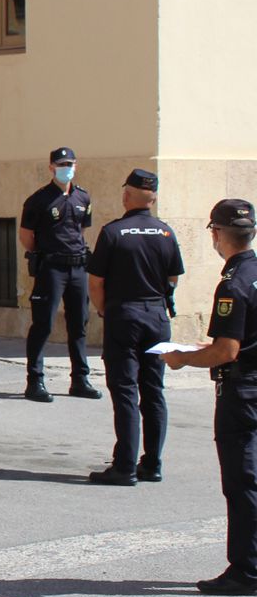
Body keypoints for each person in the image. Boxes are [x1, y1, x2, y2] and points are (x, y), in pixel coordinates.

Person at [164, 200, 257, 594]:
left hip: (242, 393)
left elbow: (226, 351)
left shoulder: (233, 284)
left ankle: (246, 571)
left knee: (242, 481)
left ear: (217, 234)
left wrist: (184, 358)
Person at [85, 170, 183, 485]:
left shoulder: (114, 232)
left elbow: (96, 283)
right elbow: (173, 278)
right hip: (157, 317)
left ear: (127, 195)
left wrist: (104, 310)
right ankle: (152, 463)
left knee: (125, 391)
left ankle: (124, 466)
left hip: (124, 316)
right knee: (153, 391)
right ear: (152, 197)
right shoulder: (166, 233)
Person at [21, 147, 101, 402]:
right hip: (52, 268)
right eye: (61, 164)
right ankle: (35, 381)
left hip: (77, 267)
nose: (67, 168)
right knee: (43, 323)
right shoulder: (38, 200)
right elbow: (27, 238)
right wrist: (48, 254)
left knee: (79, 324)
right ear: (51, 167)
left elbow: (81, 230)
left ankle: (80, 379)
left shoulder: (83, 198)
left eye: (70, 164)